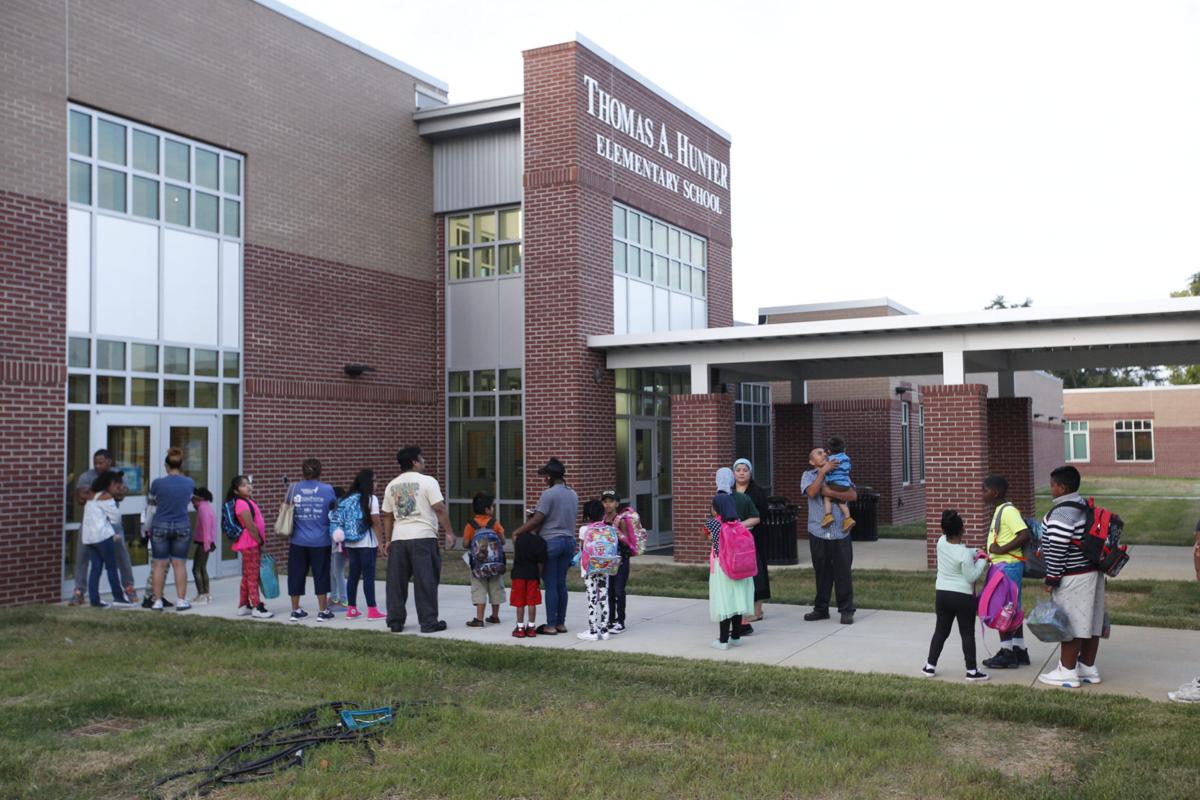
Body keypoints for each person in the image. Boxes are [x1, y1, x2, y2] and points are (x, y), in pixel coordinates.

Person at [1038, 465, 1106, 689]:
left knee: (1071, 623)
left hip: (1073, 576)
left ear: (1062, 487)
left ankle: (1066, 672)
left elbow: (1058, 547)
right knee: (1091, 622)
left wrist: (1052, 578)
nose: (1051, 489)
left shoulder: (1062, 513)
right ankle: (1087, 668)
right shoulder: (1084, 506)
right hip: (1093, 573)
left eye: (1052, 485)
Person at [382, 447, 454, 634]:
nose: (423, 461)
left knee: (396, 583)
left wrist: (388, 540)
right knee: (426, 581)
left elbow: (387, 515)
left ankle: (395, 621)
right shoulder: (428, 481)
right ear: (414, 462)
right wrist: (449, 532)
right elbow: (439, 508)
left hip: (399, 538)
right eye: (421, 458)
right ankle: (428, 622)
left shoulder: (392, 485)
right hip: (423, 537)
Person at [510, 458, 578, 637]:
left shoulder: (548, 494)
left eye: (545, 476)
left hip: (552, 542)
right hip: (569, 542)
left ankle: (550, 625)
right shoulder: (573, 494)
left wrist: (517, 531)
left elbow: (537, 519)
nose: (544, 479)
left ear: (550, 477)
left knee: (551, 584)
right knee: (561, 584)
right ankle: (561, 623)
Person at [921, 510, 989, 681]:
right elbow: (971, 576)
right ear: (962, 529)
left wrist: (975, 551)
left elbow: (959, 551)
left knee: (941, 631)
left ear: (943, 530)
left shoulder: (940, 542)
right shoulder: (964, 554)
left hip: (942, 594)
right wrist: (982, 560)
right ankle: (972, 671)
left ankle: (930, 666)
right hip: (963, 597)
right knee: (967, 633)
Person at [980, 474, 1032, 670]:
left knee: (1003, 609)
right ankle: (1019, 650)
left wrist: (1001, 550)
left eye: (985, 490)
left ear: (995, 492)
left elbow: (1024, 535)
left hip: (1007, 567)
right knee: (1012, 608)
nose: (982, 494)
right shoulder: (1001, 510)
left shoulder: (1008, 511)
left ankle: (1007, 653)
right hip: (1006, 566)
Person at [801, 448, 857, 624]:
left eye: (824, 452)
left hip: (840, 532)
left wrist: (831, 493)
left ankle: (846, 610)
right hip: (818, 532)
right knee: (822, 573)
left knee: (843, 573)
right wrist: (823, 472)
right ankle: (821, 609)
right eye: (818, 453)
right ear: (812, 461)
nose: (824, 454)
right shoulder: (808, 475)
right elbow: (811, 493)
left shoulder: (841, 473)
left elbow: (852, 495)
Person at [708, 467, 755, 649]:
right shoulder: (739, 526)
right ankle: (735, 636)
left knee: (724, 603)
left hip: (722, 568)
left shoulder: (714, 524)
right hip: (740, 568)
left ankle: (722, 641)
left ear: (717, 509)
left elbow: (706, 537)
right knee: (737, 602)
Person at [286, 458, 337, 623]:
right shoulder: (327, 489)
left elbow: (286, 508)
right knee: (321, 574)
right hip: (321, 540)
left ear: (302, 471)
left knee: (296, 574)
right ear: (320, 471)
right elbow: (333, 509)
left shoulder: (293, 488)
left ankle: (295, 610)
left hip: (298, 540)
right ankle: (322, 611)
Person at [69, 449, 121, 605]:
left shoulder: (114, 477)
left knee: (115, 559)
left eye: (101, 462)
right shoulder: (87, 477)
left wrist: (92, 493)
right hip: (96, 529)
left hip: (103, 529)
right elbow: (80, 498)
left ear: (109, 461)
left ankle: (126, 588)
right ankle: (81, 592)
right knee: (86, 559)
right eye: (95, 463)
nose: (97, 466)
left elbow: (121, 494)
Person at [148, 448, 195, 612]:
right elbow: (187, 500)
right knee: (179, 564)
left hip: (160, 524)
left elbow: (151, 506)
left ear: (166, 466)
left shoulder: (157, 483)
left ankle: (157, 601)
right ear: (181, 465)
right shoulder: (189, 482)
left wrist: (146, 526)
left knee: (159, 565)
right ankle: (181, 601)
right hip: (182, 524)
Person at [80, 470, 133, 608]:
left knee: (95, 569)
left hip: (89, 538)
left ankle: (95, 600)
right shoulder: (107, 497)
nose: (118, 489)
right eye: (117, 486)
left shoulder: (92, 495)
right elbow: (116, 517)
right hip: (103, 537)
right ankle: (118, 597)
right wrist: (113, 533)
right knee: (111, 568)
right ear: (110, 484)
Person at [340, 469, 385, 621]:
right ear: (368, 483)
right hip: (367, 543)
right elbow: (376, 522)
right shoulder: (371, 499)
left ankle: (351, 609)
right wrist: (380, 542)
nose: (377, 483)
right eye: (375, 480)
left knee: (353, 575)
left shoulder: (347, 498)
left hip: (351, 542)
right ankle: (372, 610)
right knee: (368, 576)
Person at [227, 475, 272, 619]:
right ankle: (257, 607)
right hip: (250, 543)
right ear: (236, 491)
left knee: (247, 574)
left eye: (248, 484)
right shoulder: (241, 503)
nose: (248, 487)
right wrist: (259, 541)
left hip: (250, 542)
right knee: (253, 575)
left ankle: (243, 605)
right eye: (243, 485)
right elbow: (250, 526)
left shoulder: (248, 501)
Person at [732, 458, 769, 630]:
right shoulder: (729, 490)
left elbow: (761, 515)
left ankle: (757, 610)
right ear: (733, 473)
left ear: (750, 472)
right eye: (738, 470)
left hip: (754, 537)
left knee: (756, 571)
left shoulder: (757, 491)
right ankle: (739, 609)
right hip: (733, 539)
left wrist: (741, 525)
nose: (741, 473)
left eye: (745, 470)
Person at [577, 499, 618, 642]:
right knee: (604, 596)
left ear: (587, 515)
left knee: (592, 597)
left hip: (590, 567)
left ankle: (593, 630)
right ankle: (605, 630)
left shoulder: (584, 530)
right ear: (602, 513)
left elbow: (582, 549)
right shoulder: (609, 528)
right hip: (605, 566)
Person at [463, 492, 506, 628]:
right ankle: (495, 616)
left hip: (478, 566)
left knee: (479, 589)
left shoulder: (470, 525)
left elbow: (465, 543)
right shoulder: (495, 523)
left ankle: (479, 619)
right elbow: (503, 541)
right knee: (495, 588)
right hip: (495, 565)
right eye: (492, 506)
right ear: (487, 509)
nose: (493, 508)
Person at [601, 490, 637, 634]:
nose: (608, 504)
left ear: (617, 504)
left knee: (619, 590)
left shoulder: (620, 521)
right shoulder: (602, 520)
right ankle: (610, 619)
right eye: (605, 501)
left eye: (611, 501)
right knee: (609, 590)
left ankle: (620, 621)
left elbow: (626, 541)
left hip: (621, 559)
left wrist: (615, 535)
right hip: (607, 560)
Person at [509, 519, 547, 638]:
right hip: (532, 575)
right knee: (532, 602)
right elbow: (541, 562)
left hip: (518, 574)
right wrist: (539, 575)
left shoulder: (519, 539)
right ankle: (531, 627)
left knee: (519, 603)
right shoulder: (541, 542)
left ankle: (520, 627)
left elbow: (514, 536)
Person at [821, 437, 856, 532]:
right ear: (844, 449)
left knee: (827, 498)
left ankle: (828, 516)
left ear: (829, 451)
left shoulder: (831, 460)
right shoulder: (847, 458)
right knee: (841, 502)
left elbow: (827, 471)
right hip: (845, 484)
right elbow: (848, 468)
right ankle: (848, 518)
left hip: (835, 483)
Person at [191, 488, 216, 604]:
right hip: (207, 542)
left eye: (193, 499)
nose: (192, 501)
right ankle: (206, 595)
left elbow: (206, 527)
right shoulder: (206, 506)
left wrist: (207, 544)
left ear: (199, 498)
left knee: (196, 568)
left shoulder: (202, 509)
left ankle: (202, 595)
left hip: (204, 543)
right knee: (202, 567)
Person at [328, 487, 349, 610]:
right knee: (332, 571)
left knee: (338, 572)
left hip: (340, 544)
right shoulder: (334, 508)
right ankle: (334, 597)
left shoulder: (341, 508)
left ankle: (344, 601)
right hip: (333, 543)